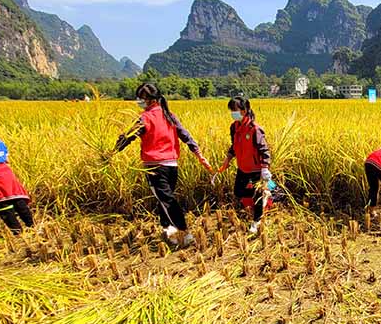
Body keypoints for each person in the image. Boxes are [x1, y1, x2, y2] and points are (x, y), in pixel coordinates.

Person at [115, 83, 212, 248]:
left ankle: (184, 232)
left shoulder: (145, 118)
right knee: (165, 199)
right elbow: (185, 136)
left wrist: (113, 150)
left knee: (167, 201)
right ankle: (169, 230)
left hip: (154, 167)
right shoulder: (169, 115)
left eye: (141, 98)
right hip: (172, 166)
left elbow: (129, 136)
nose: (138, 101)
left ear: (150, 100)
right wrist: (199, 155)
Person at [216, 97, 272, 234]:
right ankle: (265, 194)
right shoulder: (234, 127)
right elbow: (234, 146)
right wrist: (227, 160)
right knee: (238, 192)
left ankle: (256, 221)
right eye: (232, 110)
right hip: (242, 167)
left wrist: (265, 168)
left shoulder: (255, 129)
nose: (233, 113)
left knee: (256, 196)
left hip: (255, 168)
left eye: (235, 110)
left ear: (244, 110)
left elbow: (264, 150)